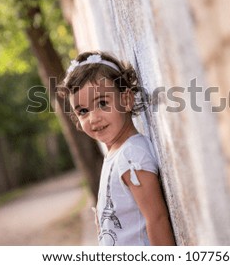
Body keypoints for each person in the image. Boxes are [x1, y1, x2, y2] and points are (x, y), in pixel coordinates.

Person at [58, 51, 175, 246]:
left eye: (102, 103)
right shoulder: (117, 153)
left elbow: (156, 219)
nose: (93, 118)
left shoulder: (132, 155)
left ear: (126, 100)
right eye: (83, 111)